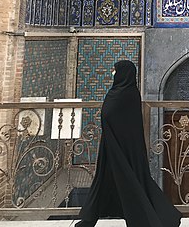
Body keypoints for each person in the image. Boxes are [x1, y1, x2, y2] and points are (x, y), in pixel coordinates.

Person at [76, 60, 182, 227]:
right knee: (106, 181)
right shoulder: (129, 93)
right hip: (115, 147)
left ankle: (157, 216)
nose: (113, 73)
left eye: (115, 70)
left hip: (120, 150)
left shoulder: (124, 94)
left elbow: (108, 114)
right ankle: (89, 220)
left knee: (128, 181)